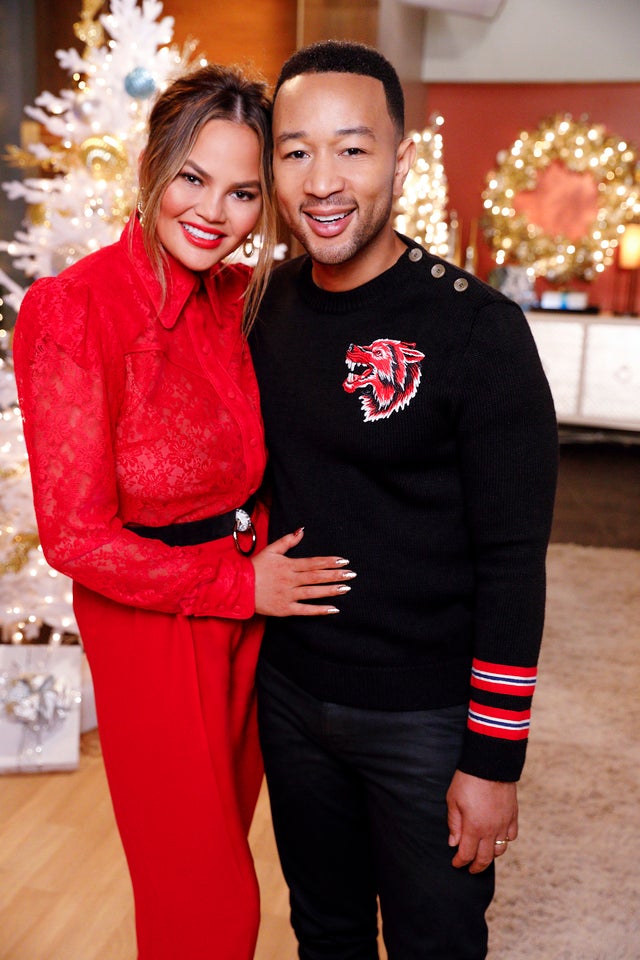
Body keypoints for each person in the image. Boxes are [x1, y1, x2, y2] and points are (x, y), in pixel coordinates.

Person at [13, 63, 351, 960]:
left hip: (247, 619)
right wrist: (243, 589)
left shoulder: (239, 299)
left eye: (244, 192)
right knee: (212, 908)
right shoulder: (70, 311)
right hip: (154, 632)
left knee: (213, 874)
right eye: (194, 179)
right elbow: (76, 536)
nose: (215, 212)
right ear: (152, 165)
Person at [249, 41, 558, 960]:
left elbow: (513, 565)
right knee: (325, 932)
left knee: (437, 944)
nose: (322, 180)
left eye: (352, 147)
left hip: (427, 721)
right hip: (294, 698)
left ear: (402, 158)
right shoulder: (263, 306)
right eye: (296, 150)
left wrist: (493, 762)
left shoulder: (478, 331)